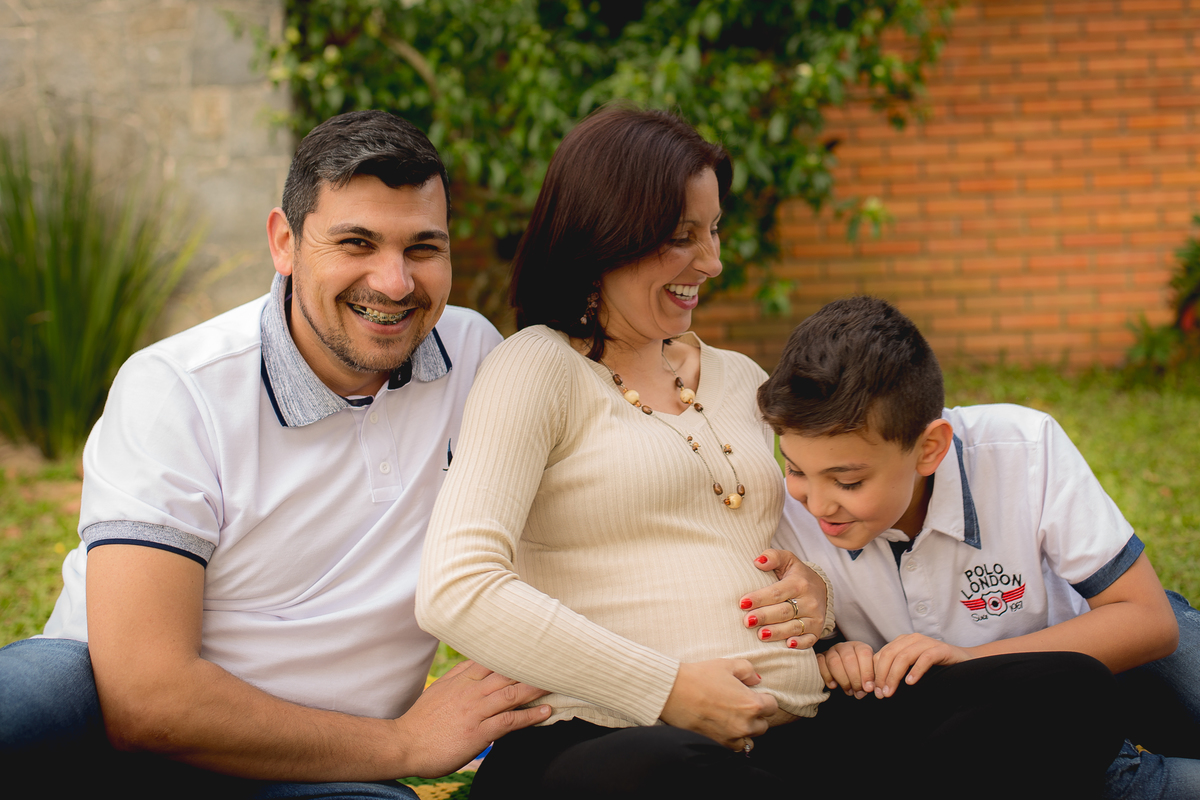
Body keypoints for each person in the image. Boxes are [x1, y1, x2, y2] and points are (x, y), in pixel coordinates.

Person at [416, 106, 1123, 800]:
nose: (713, 262)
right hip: (607, 737)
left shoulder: (736, 378)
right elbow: (457, 587)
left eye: (715, 231)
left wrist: (817, 602)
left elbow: (789, 546)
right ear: (607, 233)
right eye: (683, 236)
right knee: (664, 773)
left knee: (1067, 688)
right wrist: (667, 689)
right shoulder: (536, 367)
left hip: (800, 735)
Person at [0, 110, 554, 798]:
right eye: (356, 242)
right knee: (26, 699)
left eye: (422, 248)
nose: (394, 282)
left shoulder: (476, 358)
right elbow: (146, 697)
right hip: (104, 738)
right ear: (284, 243)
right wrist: (405, 742)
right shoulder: (181, 388)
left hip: (318, 765)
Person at [761, 296, 1200, 799]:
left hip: (1100, 653)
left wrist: (970, 658)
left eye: (848, 481)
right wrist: (832, 656)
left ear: (929, 449)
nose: (816, 503)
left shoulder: (1024, 447)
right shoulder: (782, 512)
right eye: (795, 468)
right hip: (1028, 731)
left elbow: (1147, 620)